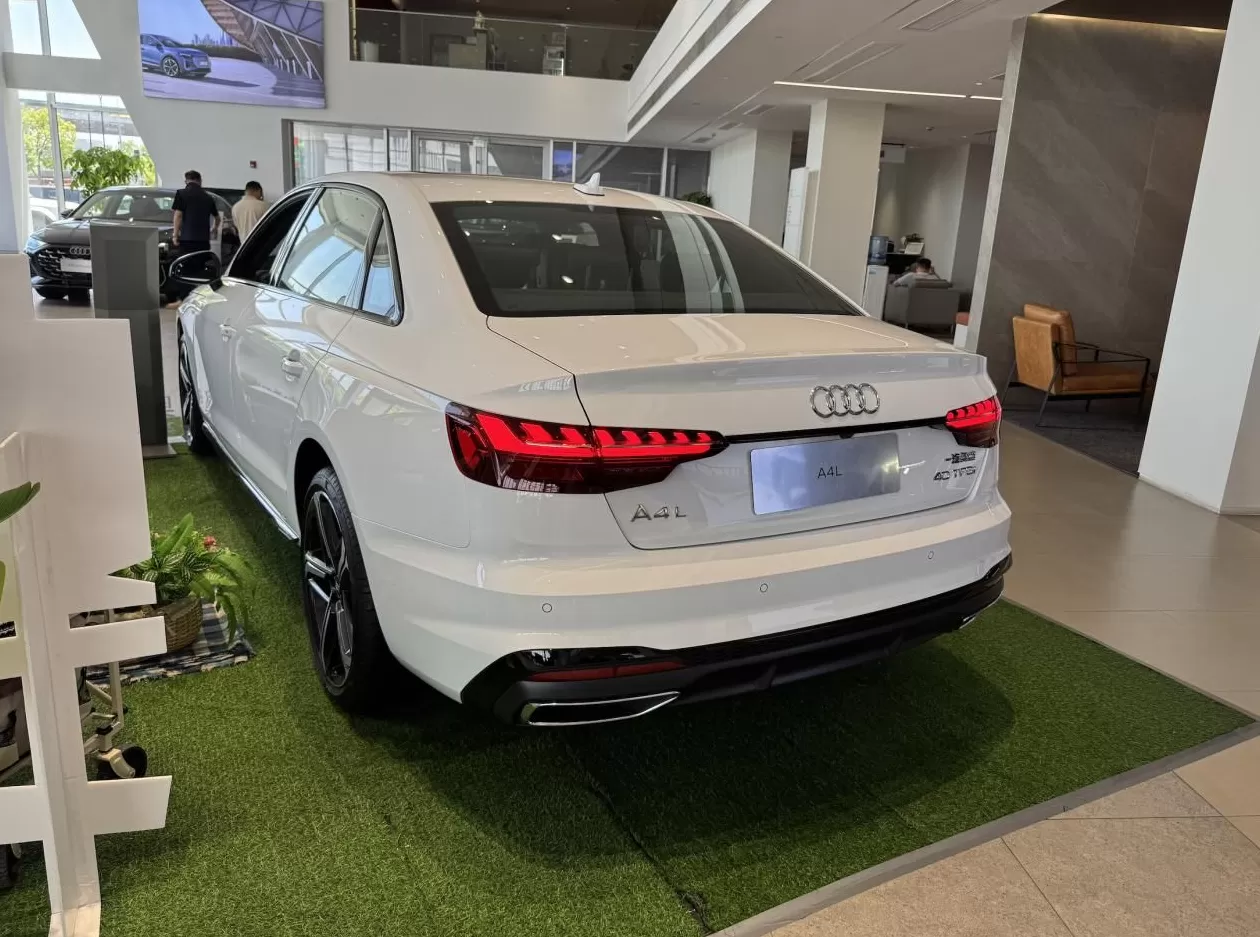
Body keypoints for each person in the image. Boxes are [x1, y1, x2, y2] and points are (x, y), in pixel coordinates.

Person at [171, 170, 219, 257]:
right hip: (203, 240)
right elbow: (217, 218)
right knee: (201, 263)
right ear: (200, 181)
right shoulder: (208, 197)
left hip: (186, 239)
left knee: (187, 262)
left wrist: (175, 235)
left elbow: (178, 216)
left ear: (186, 181)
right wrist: (214, 228)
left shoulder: (181, 194)